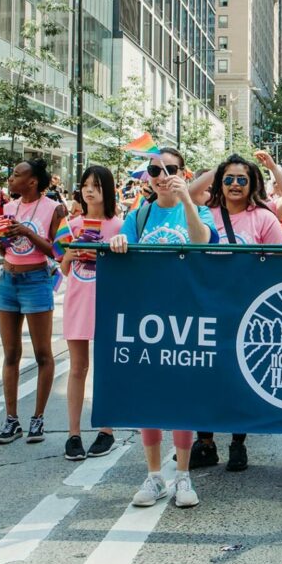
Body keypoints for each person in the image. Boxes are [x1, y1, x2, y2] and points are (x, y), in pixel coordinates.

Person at [108, 147, 212, 509]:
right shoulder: (139, 216)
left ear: (184, 172)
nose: (162, 175)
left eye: (170, 169)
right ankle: (155, 477)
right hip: (147, 319)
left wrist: (186, 200)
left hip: (186, 317)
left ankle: (183, 476)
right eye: (155, 170)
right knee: (148, 399)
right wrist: (118, 242)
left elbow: (203, 242)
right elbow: (119, 249)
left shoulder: (198, 212)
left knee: (183, 397)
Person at [189, 154, 282, 472]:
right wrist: (218, 167)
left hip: (248, 311)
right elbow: (188, 195)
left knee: (239, 378)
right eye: (228, 178)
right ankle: (204, 442)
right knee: (205, 377)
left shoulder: (264, 218)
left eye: (241, 179)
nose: (234, 184)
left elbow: (280, 263)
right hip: (207, 306)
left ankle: (238, 442)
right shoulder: (204, 213)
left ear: (252, 184)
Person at [0, 159, 66, 445]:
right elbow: (2, 249)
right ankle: (11, 419)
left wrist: (27, 232)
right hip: (7, 280)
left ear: (33, 181)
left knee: (42, 354)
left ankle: (38, 418)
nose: (10, 179)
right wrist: (0, 240)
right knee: (10, 353)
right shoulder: (9, 207)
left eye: (16, 174)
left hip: (36, 281)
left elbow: (58, 252)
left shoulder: (53, 208)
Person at [60, 165, 122, 463]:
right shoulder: (71, 225)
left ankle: (107, 430)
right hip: (77, 300)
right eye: (85, 184)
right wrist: (69, 256)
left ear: (106, 190)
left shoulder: (120, 226)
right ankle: (73, 434)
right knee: (77, 368)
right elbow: (62, 270)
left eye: (96, 185)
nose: (89, 190)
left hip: (108, 301)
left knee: (107, 367)